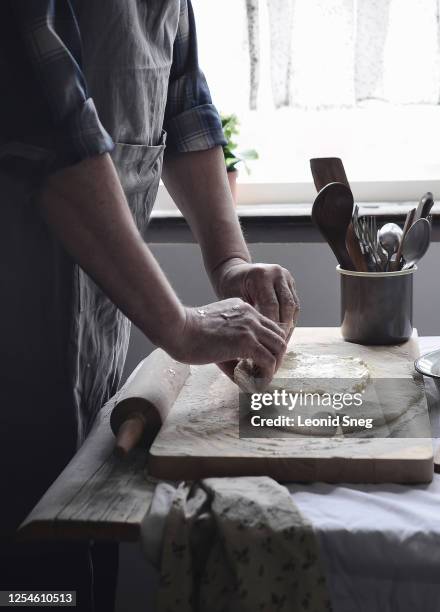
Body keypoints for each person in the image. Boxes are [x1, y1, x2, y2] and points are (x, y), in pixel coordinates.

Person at [0, 1, 299, 610]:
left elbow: (184, 109)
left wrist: (229, 264)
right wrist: (180, 326)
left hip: (93, 361)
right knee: (31, 592)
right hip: (12, 354)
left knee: (82, 566)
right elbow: (55, 138)